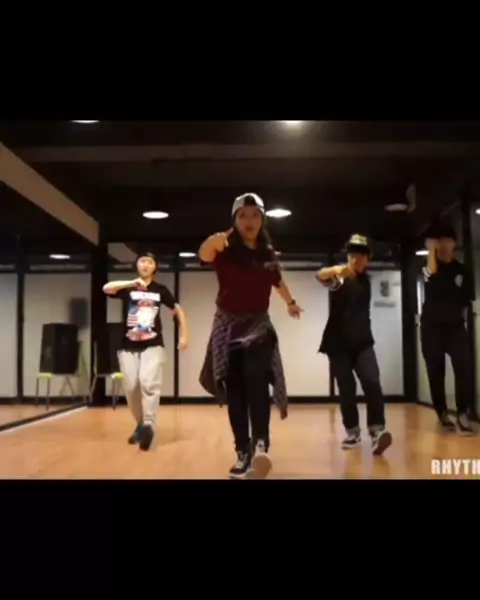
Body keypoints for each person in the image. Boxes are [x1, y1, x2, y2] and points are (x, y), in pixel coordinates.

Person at [199, 193, 303, 479]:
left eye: (255, 215)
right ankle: (242, 451)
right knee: (235, 392)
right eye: (243, 215)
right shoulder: (224, 250)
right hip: (228, 326)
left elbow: (278, 282)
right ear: (235, 220)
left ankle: (261, 445)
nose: (249, 220)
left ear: (263, 220)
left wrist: (291, 302)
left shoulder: (267, 255)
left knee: (256, 379)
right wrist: (213, 240)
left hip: (258, 325)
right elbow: (204, 254)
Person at [103, 252, 188, 450]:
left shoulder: (160, 290)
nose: (146, 265)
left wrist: (185, 335)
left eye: (150, 262)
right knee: (131, 387)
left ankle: (149, 424)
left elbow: (177, 309)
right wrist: (131, 283)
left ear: (155, 267)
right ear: (137, 265)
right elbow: (106, 288)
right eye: (142, 261)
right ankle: (141, 424)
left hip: (153, 344)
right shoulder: (128, 288)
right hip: (127, 345)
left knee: (149, 384)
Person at [316, 234, 392, 455]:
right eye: (352, 255)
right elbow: (320, 275)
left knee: (372, 382)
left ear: (368, 258)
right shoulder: (340, 278)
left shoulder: (365, 280)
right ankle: (352, 432)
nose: (356, 259)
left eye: (360, 255)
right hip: (337, 344)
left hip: (362, 341)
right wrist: (336, 269)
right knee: (346, 389)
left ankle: (377, 431)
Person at [420, 225, 474, 435]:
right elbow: (432, 273)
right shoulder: (428, 267)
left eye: (447, 241)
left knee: (464, 365)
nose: (444, 245)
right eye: (440, 241)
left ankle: (463, 413)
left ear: (454, 243)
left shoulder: (462, 270)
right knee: (435, 370)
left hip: (455, 327)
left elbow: (466, 300)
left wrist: (458, 320)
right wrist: (431, 250)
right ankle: (442, 412)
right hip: (431, 327)